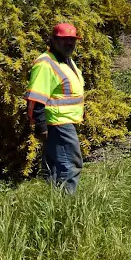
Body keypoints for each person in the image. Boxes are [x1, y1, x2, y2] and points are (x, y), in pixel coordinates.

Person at [24, 23, 85, 194]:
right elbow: (36, 99)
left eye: (72, 40)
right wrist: (41, 126)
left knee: (53, 167)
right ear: (53, 40)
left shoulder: (66, 60)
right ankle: (67, 205)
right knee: (70, 165)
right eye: (64, 40)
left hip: (64, 121)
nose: (69, 44)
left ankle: (51, 202)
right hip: (58, 122)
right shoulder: (46, 63)